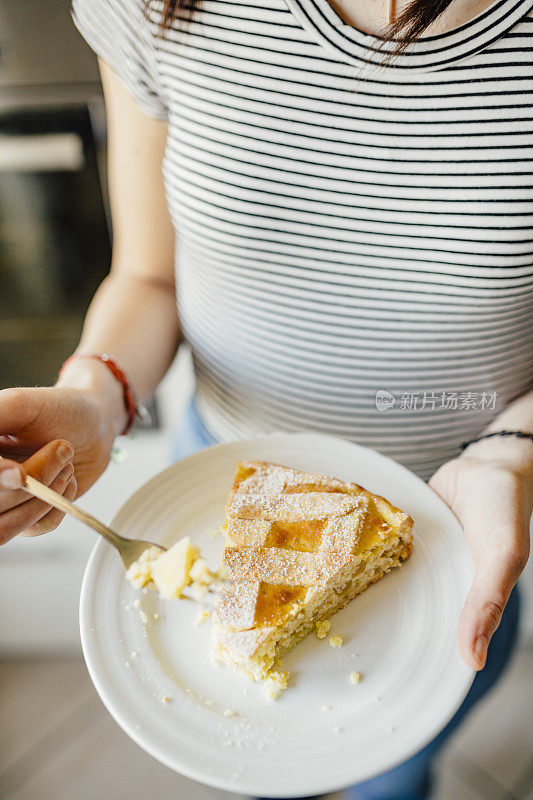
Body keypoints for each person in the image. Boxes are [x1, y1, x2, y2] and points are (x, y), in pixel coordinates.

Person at [0, 0, 532, 796]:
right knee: (240, 752)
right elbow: (149, 275)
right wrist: (94, 397)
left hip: (456, 522)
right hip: (215, 483)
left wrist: (512, 455)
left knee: (389, 777)